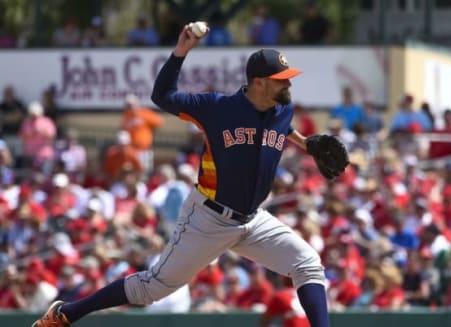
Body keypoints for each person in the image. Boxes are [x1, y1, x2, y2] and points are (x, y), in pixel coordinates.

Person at [32, 23, 332, 327]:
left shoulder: (283, 110)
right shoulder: (217, 108)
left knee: (308, 265)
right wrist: (181, 52)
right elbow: (163, 96)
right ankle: (66, 313)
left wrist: (304, 143)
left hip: (253, 219)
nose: (287, 86)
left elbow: (282, 129)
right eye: (280, 80)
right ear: (258, 83)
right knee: (152, 288)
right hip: (209, 218)